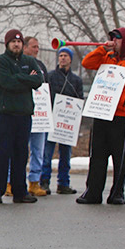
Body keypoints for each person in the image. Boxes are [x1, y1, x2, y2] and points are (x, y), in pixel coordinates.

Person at [77, 27, 125, 206]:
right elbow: (86, 62)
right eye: (112, 39)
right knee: (97, 156)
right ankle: (93, 192)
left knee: (120, 157)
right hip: (102, 113)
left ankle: (117, 193)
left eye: (117, 39)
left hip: (123, 118)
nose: (114, 42)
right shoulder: (106, 58)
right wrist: (102, 48)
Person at [0, 29, 43, 204]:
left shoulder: (30, 61)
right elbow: (6, 82)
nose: (16, 44)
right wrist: (26, 78)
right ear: (7, 44)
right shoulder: (0, 61)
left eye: (19, 42)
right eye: (13, 42)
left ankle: (21, 192)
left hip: (24, 114)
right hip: (5, 113)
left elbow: (38, 81)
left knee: (21, 154)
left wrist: (21, 78)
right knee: (1, 154)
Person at [41, 46, 83, 195]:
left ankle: (63, 183)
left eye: (65, 56)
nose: (63, 58)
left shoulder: (76, 80)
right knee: (47, 153)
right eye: (61, 55)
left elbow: (79, 99)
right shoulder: (50, 76)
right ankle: (44, 182)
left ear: (71, 59)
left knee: (65, 154)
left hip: (67, 123)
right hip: (52, 120)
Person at [21, 37, 49, 197]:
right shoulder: (19, 64)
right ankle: (12, 182)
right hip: (24, 112)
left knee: (38, 150)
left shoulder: (41, 66)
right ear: (25, 47)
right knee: (19, 149)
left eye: (38, 47)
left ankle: (34, 182)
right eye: (34, 47)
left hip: (41, 116)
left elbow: (44, 85)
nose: (37, 50)